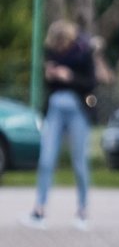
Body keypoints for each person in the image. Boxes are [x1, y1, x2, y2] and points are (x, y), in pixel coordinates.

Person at [27, 20, 97, 230]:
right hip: (55, 109)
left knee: (79, 161)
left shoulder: (83, 54)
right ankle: (39, 209)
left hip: (77, 110)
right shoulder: (52, 54)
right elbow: (49, 85)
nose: (59, 45)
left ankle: (83, 211)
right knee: (46, 159)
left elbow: (91, 83)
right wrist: (51, 76)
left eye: (62, 41)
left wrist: (70, 77)